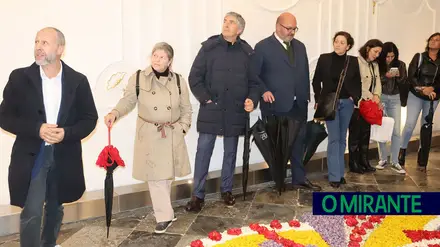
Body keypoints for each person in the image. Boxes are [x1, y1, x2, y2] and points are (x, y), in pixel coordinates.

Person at [0, 27, 98, 247]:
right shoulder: (20, 78)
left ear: (60, 48)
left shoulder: (77, 80)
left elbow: (90, 118)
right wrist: (37, 129)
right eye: (36, 42)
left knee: (55, 206)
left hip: (64, 154)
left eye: (44, 42)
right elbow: (4, 117)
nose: (38, 47)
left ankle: (48, 244)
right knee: (32, 208)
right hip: (33, 154)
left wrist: (66, 133)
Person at [104, 42, 193, 233]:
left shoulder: (178, 80)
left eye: (162, 57)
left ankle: (166, 210)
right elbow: (127, 100)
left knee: (166, 177)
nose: (156, 59)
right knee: (156, 178)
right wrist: (114, 113)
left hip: (171, 133)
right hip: (151, 134)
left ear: (169, 61)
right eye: (154, 55)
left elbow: (186, 108)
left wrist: (182, 129)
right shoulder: (138, 78)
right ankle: (164, 216)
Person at [185, 12, 260, 212]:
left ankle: (227, 190)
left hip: (235, 111)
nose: (226, 25)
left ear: (240, 29)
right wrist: (205, 98)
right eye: (225, 21)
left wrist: (253, 100)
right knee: (203, 152)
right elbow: (194, 77)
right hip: (212, 109)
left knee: (231, 153)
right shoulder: (209, 48)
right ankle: (197, 195)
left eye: (231, 22)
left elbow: (254, 83)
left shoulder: (247, 52)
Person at [252, 12, 321, 191]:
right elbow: (253, 75)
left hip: (298, 104)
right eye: (288, 28)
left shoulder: (300, 47)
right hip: (275, 105)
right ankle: (279, 180)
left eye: (294, 29)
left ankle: (299, 178)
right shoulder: (262, 47)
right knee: (278, 146)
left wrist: (307, 95)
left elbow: (304, 73)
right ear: (278, 26)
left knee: (299, 143)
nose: (292, 32)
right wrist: (264, 90)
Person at [312, 31, 361, 188]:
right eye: (336, 41)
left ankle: (340, 173)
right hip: (329, 103)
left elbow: (358, 82)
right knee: (334, 138)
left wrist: (355, 98)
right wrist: (319, 100)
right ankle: (334, 176)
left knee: (342, 138)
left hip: (347, 103)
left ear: (348, 46)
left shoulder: (352, 61)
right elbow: (316, 81)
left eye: (342, 42)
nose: (338, 44)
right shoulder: (324, 58)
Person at [399, 32, 440, 172]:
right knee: (410, 124)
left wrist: (432, 88)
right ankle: (401, 151)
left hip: (432, 97)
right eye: (431, 39)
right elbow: (412, 76)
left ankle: (422, 158)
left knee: (426, 127)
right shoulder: (419, 57)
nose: (433, 41)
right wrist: (423, 89)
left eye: (437, 40)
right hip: (416, 94)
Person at [348, 39, 383, 174]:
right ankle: (353, 163)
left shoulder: (374, 64)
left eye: (379, 52)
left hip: (370, 105)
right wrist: (371, 96)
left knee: (365, 134)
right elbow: (357, 84)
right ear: (368, 48)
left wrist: (377, 95)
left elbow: (378, 81)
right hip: (358, 104)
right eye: (375, 51)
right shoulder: (356, 62)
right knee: (355, 135)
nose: (377, 55)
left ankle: (364, 161)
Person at [375, 42, 407, 174]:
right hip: (381, 97)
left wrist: (398, 76)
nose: (389, 59)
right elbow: (375, 81)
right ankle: (382, 158)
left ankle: (395, 161)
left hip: (395, 97)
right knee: (382, 128)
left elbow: (404, 81)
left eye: (392, 56)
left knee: (396, 130)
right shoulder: (378, 64)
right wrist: (385, 77)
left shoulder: (401, 64)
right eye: (387, 56)